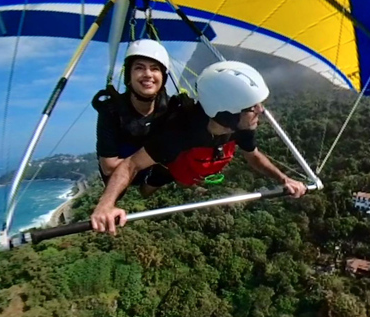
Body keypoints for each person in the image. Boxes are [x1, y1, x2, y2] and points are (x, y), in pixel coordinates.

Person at [90, 61, 307, 234]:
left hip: (200, 165)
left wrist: (284, 179)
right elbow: (131, 164)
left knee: (189, 180)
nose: (260, 111)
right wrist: (106, 205)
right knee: (150, 189)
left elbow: (253, 155)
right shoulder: (180, 132)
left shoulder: (242, 124)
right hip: (172, 163)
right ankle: (154, 182)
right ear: (227, 112)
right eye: (253, 107)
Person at [92, 39, 177, 196]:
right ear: (129, 76)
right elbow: (109, 167)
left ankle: (148, 188)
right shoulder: (111, 111)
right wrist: (160, 157)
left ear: (162, 78)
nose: (148, 75)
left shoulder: (170, 108)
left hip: (148, 170)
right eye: (139, 68)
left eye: (154, 69)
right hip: (120, 174)